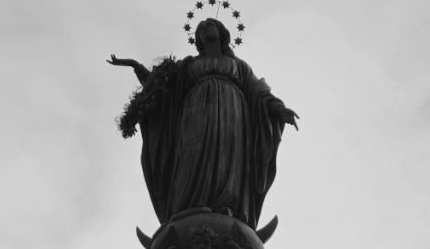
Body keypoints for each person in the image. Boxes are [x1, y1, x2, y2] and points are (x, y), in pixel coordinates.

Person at [107, 18, 298, 228]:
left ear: (221, 32)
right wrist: (135, 65)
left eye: (210, 25)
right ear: (197, 38)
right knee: (191, 153)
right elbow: (159, 87)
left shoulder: (239, 66)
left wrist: (280, 109)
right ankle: (190, 203)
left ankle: (226, 205)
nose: (206, 29)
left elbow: (259, 92)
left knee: (227, 158)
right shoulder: (188, 65)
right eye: (201, 28)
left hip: (232, 113)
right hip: (195, 112)